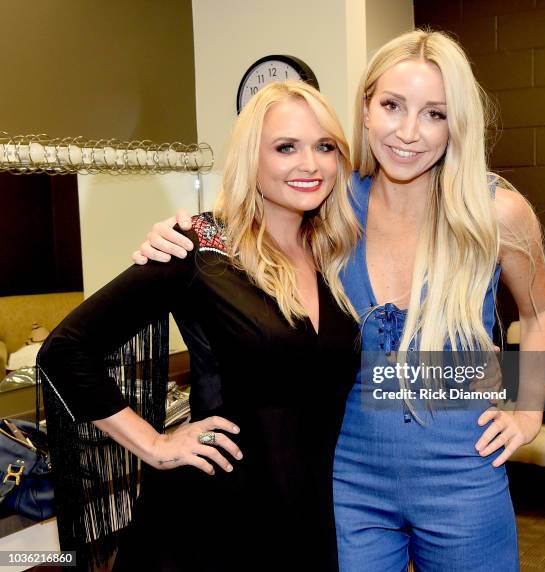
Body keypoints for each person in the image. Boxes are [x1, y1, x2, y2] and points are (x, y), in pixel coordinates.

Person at [132, 30, 545, 571]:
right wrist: (183, 232)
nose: (408, 132)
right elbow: (249, 226)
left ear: (459, 124)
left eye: (435, 113)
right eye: (392, 106)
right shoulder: (332, 206)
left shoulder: (496, 213)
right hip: (347, 480)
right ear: (365, 108)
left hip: (465, 474)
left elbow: (541, 312)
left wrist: (529, 413)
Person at [38, 80, 361, 572]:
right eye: (285, 147)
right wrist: (155, 444)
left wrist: (521, 395)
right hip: (213, 520)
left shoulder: (335, 255)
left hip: (308, 516)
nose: (310, 165)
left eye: (325, 147)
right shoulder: (200, 246)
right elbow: (65, 350)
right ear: (252, 158)